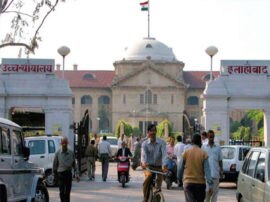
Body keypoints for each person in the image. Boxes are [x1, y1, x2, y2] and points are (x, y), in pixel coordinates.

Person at [178, 134, 213, 202]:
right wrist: (210, 184)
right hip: (200, 184)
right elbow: (207, 170)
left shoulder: (186, 153)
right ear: (200, 142)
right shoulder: (203, 154)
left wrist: (179, 178)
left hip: (188, 183)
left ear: (192, 142)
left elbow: (180, 168)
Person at [141, 124, 167, 202]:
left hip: (159, 167)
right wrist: (143, 163)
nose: (153, 132)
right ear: (148, 132)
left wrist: (164, 165)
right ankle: (145, 199)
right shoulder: (145, 144)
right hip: (149, 167)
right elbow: (143, 155)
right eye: (151, 131)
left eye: (154, 130)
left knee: (159, 185)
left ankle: (157, 198)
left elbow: (164, 155)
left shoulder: (162, 142)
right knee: (148, 178)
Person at [53, 136, 79, 202]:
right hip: (60, 174)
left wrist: (77, 174)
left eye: (65, 143)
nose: (64, 145)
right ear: (61, 144)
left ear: (67, 144)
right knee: (61, 191)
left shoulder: (71, 152)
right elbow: (54, 164)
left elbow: (74, 164)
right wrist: (54, 175)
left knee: (67, 192)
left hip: (68, 174)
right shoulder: (58, 153)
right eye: (63, 143)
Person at [202, 130, 223, 202]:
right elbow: (201, 160)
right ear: (207, 137)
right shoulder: (204, 147)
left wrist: (221, 170)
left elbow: (220, 160)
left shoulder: (218, 147)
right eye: (210, 137)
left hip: (216, 175)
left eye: (212, 137)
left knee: (214, 194)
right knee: (207, 194)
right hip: (206, 176)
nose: (211, 138)